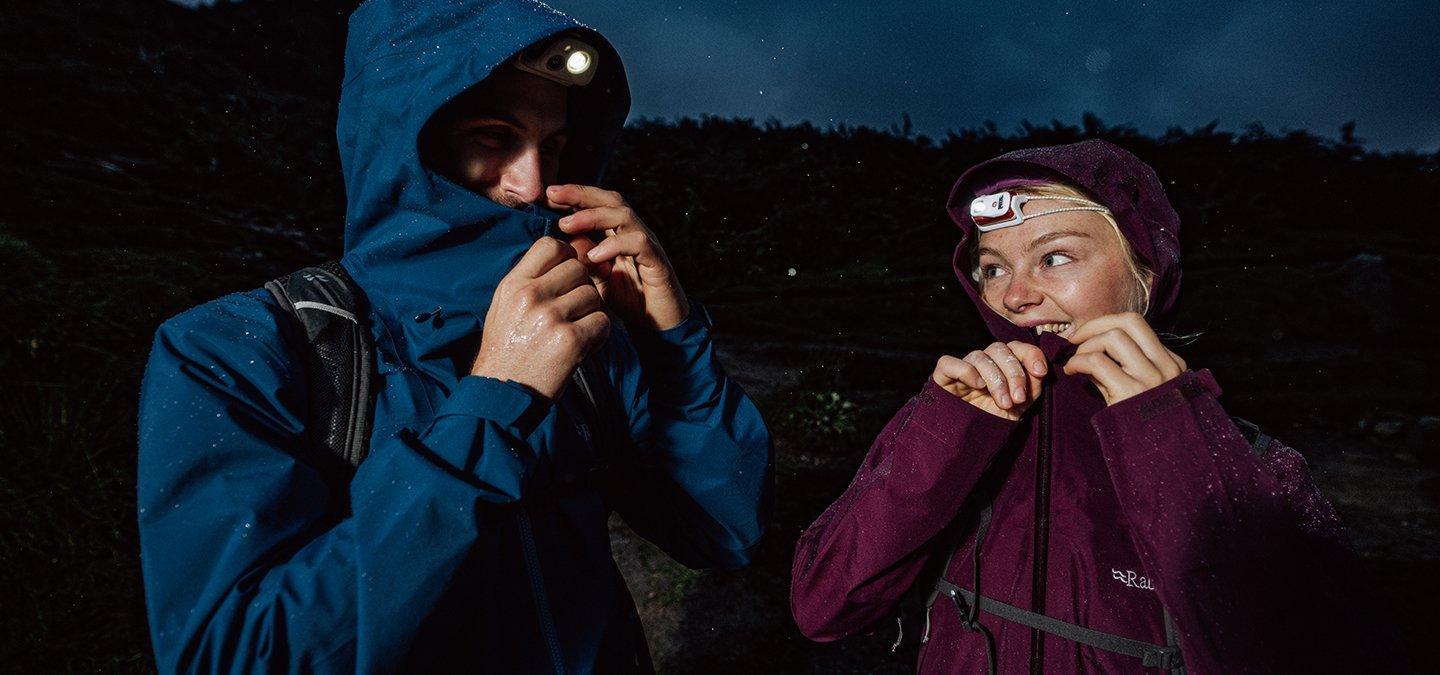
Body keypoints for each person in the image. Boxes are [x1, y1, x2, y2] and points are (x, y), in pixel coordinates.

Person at [136, 1, 771, 671]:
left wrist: (671, 346)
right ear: (402, 140)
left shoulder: (586, 343)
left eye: (553, 146)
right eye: (493, 135)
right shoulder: (233, 350)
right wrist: (496, 402)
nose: (534, 184)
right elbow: (237, 656)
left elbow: (725, 530)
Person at [790, 139, 1393, 673]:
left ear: (1145, 272)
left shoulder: (1253, 462)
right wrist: (945, 434)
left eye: (1055, 257)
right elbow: (824, 608)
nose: (1015, 296)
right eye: (992, 267)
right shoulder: (955, 418)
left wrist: (1171, 433)